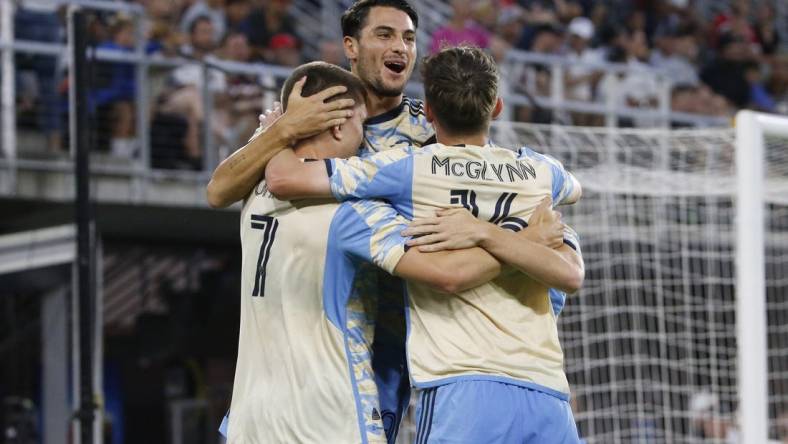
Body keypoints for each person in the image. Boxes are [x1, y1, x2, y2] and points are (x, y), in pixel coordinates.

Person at [224, 60, 561, 443]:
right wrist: (523, 241)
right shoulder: (355, 213)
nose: (365, 136)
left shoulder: (252, 187)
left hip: (249, 415)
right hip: (328, 416)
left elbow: (217, 190)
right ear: (337, 125)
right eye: (361, 124)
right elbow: (449, 275)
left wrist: (274, 134)